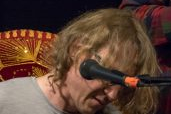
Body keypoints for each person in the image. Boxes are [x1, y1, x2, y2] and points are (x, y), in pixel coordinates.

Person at [0, 8, 159, 114]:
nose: (113, 95)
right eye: (111, 78)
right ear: (76, 50)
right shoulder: (6, 100)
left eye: (122, 86)